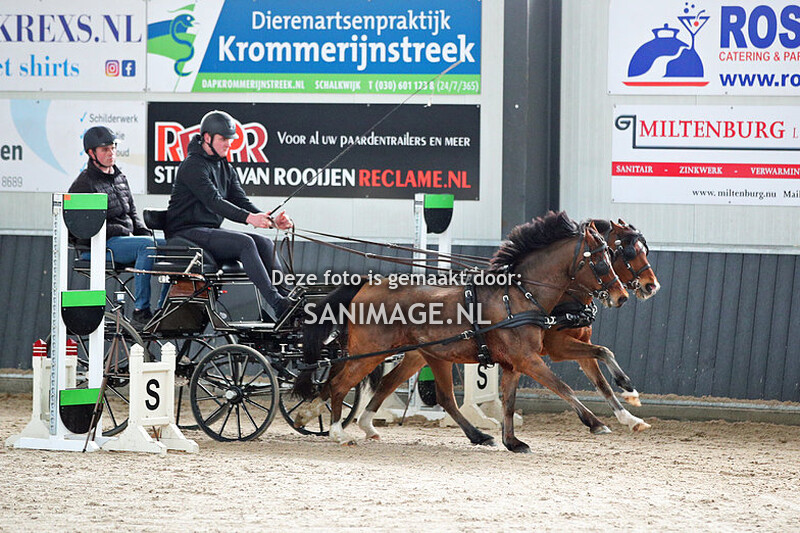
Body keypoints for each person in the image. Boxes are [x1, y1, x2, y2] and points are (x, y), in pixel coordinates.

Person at [165, 110, 294, 321]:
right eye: (223, 139)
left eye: (230, 140)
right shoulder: (192, 166)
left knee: (263, 243)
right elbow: (214, 201)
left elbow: (240, 200)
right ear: (207, 138)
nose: (228, 144)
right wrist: (249, 219)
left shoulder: (224, 165)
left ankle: (289, 298)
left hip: (209, 231)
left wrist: (270, 221)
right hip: (186, 232)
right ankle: (277, 302)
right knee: (244, 242)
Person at [69, 125, 166, 328]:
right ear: (91, 153)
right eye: (105, 149)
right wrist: (125, 231)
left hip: (123, 241)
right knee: (146, 246)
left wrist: (147, 234)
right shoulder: (83, 184)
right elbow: (77, 228)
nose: (111, 153)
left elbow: (132, 214)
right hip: (98, 246)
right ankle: (141, 311)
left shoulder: (120, 178)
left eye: (113, 148)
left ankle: (165, 309)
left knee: (169, 245)